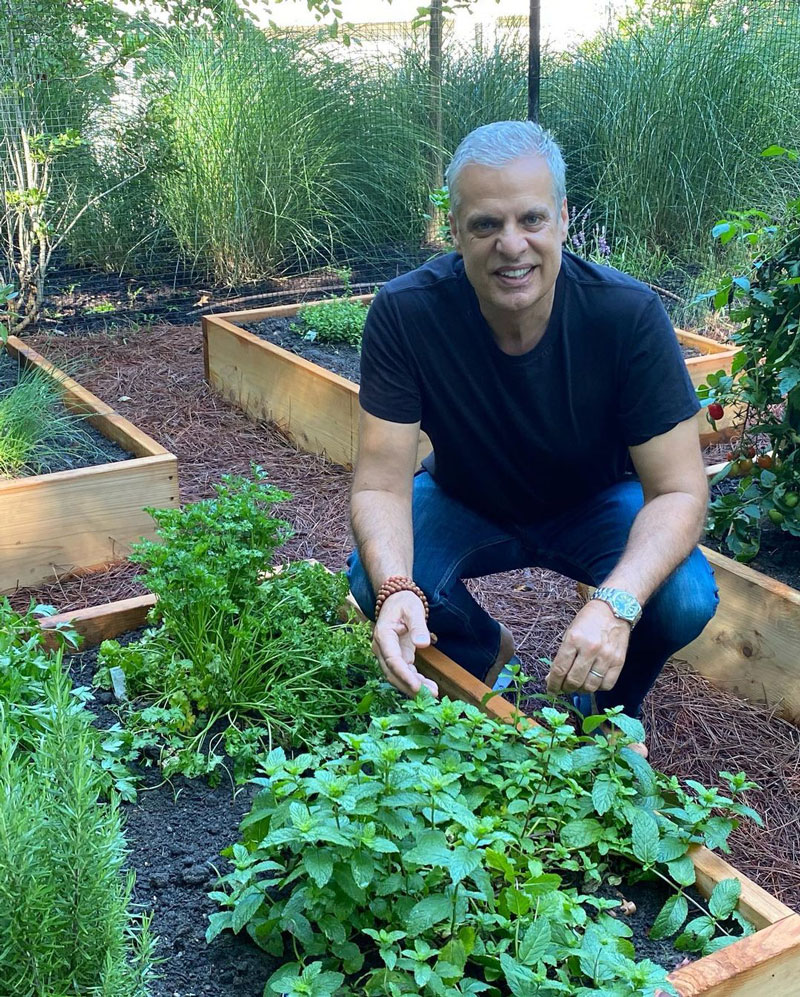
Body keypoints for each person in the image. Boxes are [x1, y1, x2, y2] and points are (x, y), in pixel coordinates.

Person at [346, 120, 717, 742]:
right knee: (373, 575)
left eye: (532, 219)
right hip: (469, 497)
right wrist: (394, 590)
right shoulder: (406, 313)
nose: (511, 246)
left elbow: (680, 490)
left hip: (597, 503)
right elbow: (381, 484)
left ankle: (609, 707)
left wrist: (614, 604)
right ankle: (479, 652)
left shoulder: (625, 315)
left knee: (682, 599)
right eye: (486, 225)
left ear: (565, 218)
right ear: (456, 231)